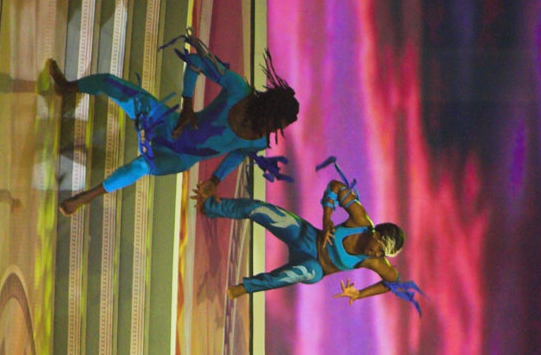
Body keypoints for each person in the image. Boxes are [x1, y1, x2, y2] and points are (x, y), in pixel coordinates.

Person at [45, 33, 297, 217]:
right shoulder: (238, 90)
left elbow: (238, 154)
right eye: (275, 122)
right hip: (166, 123)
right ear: (269, 106)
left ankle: (85, 197)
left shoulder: (259, 140)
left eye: (278, 128)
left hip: (179, 158)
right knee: (111, 83)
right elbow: (196, 61)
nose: (273, 130)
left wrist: (215, 180)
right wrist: (187, 104)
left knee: (142, 165)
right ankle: (67, 87)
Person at [198, 177, 408, 301]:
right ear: (376, 234)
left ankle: (242, 289)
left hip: (315, 266)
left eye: (382, 254)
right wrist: (327, 218)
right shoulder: (360, 220)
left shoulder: (375, 262)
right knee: (259, 209)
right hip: (307, 236)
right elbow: (335, 186)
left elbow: (393, 282)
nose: (377, 254)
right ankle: (209, 206)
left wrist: (359, 294)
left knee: (292, 274)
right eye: (379, 248)